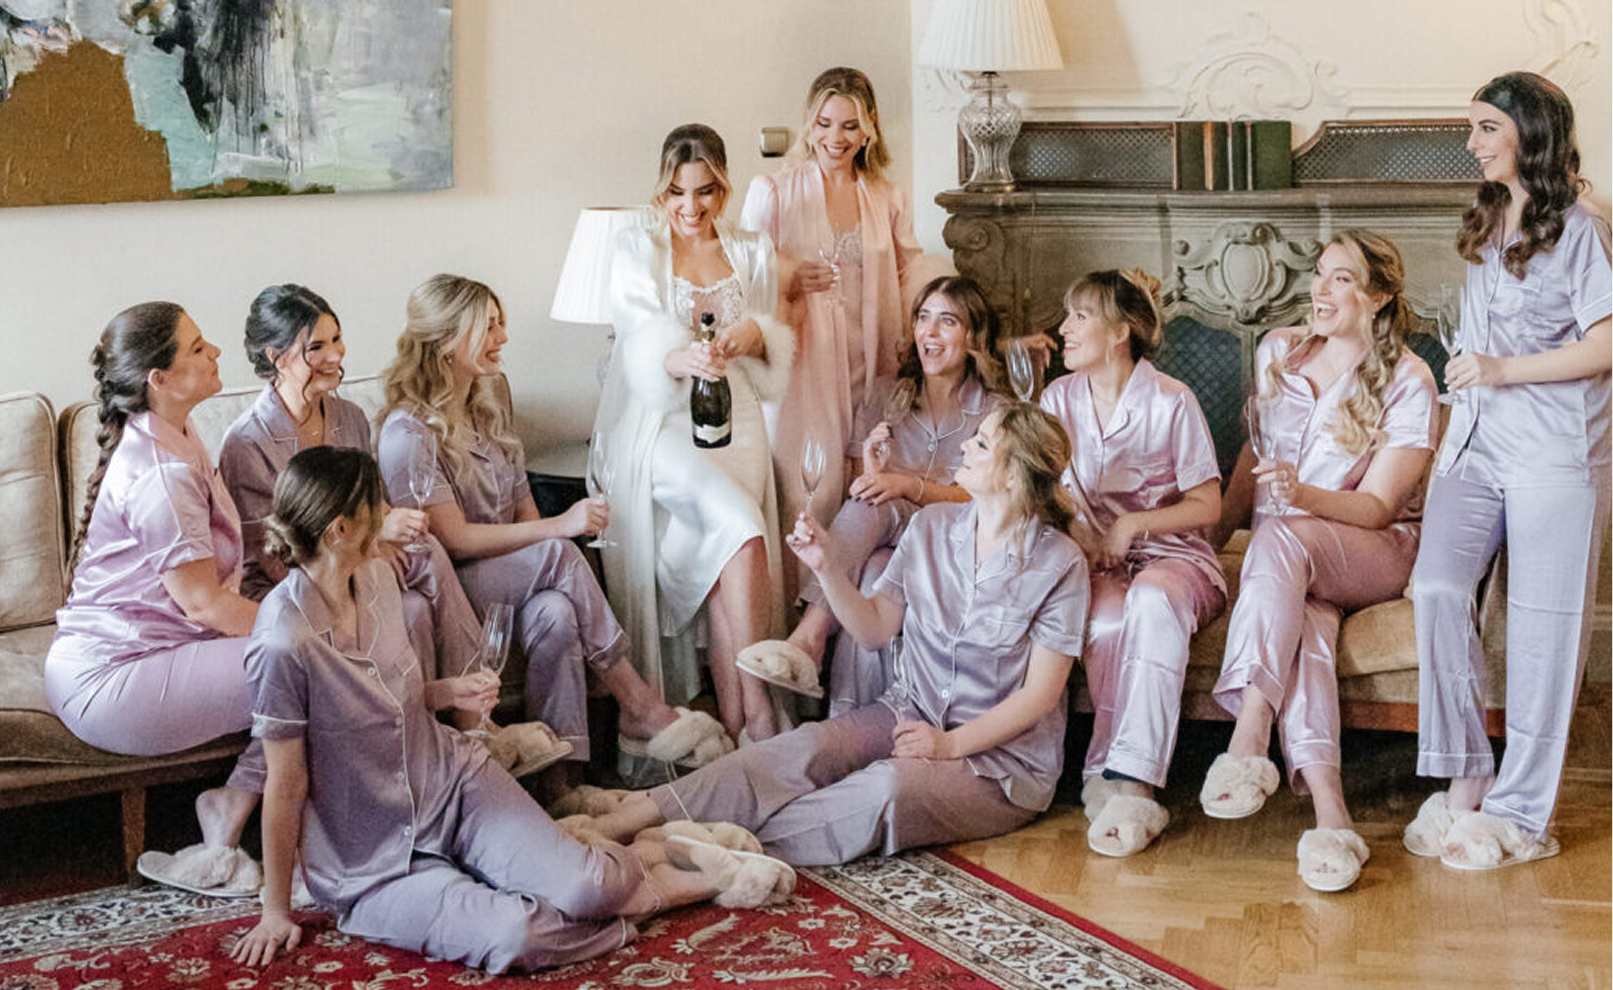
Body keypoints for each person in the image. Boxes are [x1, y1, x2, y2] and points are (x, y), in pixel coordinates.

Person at [228, 447, 793, 974]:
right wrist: (275, 909)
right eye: (375, 505)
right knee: (517, 936)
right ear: (339, 530)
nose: (388, 513)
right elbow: (285, 783)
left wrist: (447, 692)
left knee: (587, 889)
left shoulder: (377, 578)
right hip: (372, 862)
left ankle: (633, 867)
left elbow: (391, 702)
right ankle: (659, 888)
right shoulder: (282, 641)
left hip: (452, 784)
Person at [566, 405, 1087, 866]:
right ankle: (634, 817)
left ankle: (696, 848)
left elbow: (1039, 697)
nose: (966, 447)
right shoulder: (931, 527)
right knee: (804, 748)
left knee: (885, 788)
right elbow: (875, 628)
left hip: (1001, 768)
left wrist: (949, 745)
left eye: (982, 444)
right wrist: (827, 568)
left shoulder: (1061, 564)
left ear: (1014, 475)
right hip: (908, 712)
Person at [377, 274, 728, 782]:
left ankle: (561, 784)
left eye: (500, 324)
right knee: (561, 553)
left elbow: (525, 512)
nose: (502, 337)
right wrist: (561, 528)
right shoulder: (407, 434)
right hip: (451, 590)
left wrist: (549, 540)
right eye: (488, 327)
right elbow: (453, 540)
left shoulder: (488, 403)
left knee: (557, 613)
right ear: (448, 341)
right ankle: (637, 702)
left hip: (508, 577)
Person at [219, 284, 561, 771]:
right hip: (296, 580)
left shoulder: (349, 418)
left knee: (419, 587)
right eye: (316, 347)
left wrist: (384, 529)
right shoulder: (247, 443)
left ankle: (448, 741)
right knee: (425, 568)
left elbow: (369, 508)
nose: (336, 355)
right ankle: (472, 728)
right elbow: (275, 557)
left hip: (359, 564)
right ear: (276, 357)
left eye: (337, 339)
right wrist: (376, 540)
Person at [1405, 71, 1611, 871]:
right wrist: (1466, 390)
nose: (1471, 143)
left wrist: (1500, 370)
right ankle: (1466, 774)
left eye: (1486, 127)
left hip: (1554, 450)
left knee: (1541, 630)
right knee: (1435, 587)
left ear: (1531, 131)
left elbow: (1604, 344)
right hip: (1475, 440)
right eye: (1472, 127)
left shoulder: (1583, 228)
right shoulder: (1489, 215)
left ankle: (1520, 814)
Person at [1203, 230, 1437, 892]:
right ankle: (1332, 816)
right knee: (1303, 624)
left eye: (1341, 278)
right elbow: (1254, 458)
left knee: (1282, 538)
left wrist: (1299, 496)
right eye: (1319, 273)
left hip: (1373, 549)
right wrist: (1214, 536)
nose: (1320, 289)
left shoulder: (1409, 380)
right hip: (1289, 559)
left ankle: (1250, 731)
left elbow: (1379, 507)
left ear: (1378, 296)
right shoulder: (1278, 352)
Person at [45, 302, 264, 892]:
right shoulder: (160, 474)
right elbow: (206, 605)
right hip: (113, 683)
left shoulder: (175, 433)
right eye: (197, 347)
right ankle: (286, 831)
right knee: (309, 657)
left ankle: (238, 805)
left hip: (145, 655)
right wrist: (312, 624)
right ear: (159, 380)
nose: (216, 352)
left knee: (319, 647)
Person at [593, 124, 796, 742]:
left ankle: (737, 730)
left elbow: (772, 333)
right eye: (677, 192)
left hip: (737, 419)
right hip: (664, 423)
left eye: (704, 191)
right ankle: (761, 709)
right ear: (662, 190)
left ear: (723, 187)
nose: (690, 206)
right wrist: (679, 357)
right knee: (743, 531)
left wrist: (752, 336)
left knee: (726, 563)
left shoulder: (753, 250)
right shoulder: (637, 247)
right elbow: (636, 339)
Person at [740, 275, 1007, 716]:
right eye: (923, 318)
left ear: (974, 336)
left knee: (874, 510)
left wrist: (905, 485)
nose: (929, 332)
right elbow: (859, 486)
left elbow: (992, 501)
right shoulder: (886, 395)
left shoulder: (996, 412)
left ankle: (810, 636)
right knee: (875, 572)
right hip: (887, 543)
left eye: (947, 321)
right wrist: (873, 472)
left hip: (955, 544)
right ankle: (857, 719)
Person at [1038, 269, 1225, 857]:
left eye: (1080, 316)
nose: (1064, 328)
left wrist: (1131, 525)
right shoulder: (1057, 399)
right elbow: (1047, 490)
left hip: (1177, 558)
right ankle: (1103, 767)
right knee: (1108, 619)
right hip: (1096, 563)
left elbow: (1208, 505)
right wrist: (1079, 530)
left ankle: (1136, 782)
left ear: (1120, 332)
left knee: (1151, 599)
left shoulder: (1172, 400)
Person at [740, 67, 945, 542]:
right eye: (825, 123)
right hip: (806, 367)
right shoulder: (773, 193)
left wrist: (970, 328)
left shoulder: (888, 198)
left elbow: (913, 277)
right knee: (807, 492)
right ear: (809, 125)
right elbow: (742, 278)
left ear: (869, 128)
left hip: (873, 364)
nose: (837, 138)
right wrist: (787, 276)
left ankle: (854, 587)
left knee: (867, 490)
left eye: (850, 126)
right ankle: (802, 588)